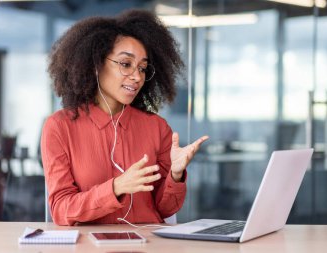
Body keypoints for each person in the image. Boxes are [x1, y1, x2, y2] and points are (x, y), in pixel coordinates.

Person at [41, 9, 208, 226]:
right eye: (125, 64)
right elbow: (61, 210)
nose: (137, 76)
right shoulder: (59, 126)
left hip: (149, 245)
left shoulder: (156, 127)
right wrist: (116, 187)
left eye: (142, 68)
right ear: (95, 64)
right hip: (89, 247)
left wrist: (175, 175)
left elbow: (165, 209)